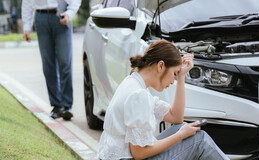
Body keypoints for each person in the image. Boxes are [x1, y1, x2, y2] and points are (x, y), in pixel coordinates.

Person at [98, 40, 229, 160]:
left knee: (181, 127)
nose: (173, 81)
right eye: (174, 73)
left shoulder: (133, 82)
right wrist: (180, 136)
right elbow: (139, 153)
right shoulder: (139, 95)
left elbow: (176, 117)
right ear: (161, 66)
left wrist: (182, 76)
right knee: (199, 140)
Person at [21, 0, 82, 120]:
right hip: (41, 19)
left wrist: (70, 14)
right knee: (49, 65)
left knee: (65, 62)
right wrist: (27, 26)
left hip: (61, 18)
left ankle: (67, 105)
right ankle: (56, 105)